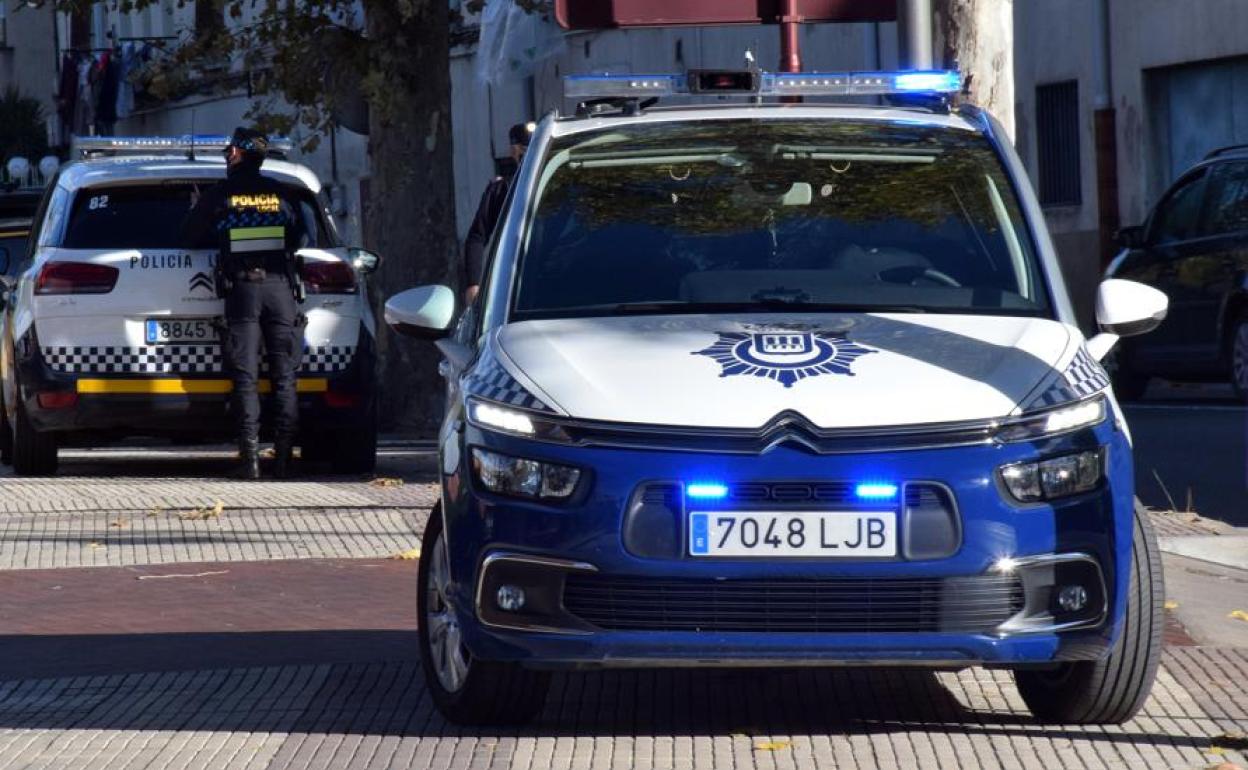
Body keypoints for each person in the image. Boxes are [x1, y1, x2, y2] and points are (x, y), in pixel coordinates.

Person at [183, 127, 307, 480]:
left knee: (245, 377)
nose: (227, 156)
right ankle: (283, 460)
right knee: (285, 377)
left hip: (243, 291)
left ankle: (250, 460)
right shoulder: (281, 193)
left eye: (228, 151)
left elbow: (189, 238)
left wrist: (204, 218)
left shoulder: (220, 195)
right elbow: (300, 236)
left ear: (236, 154)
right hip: (280, 290)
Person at [463, 121, 533, 303]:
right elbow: (477, 237)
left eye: (529, 150)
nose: (526, 156)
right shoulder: (502, 190)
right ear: (513, 151)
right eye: (523, 150)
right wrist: (474, 285)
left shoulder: (558, 184)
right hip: (513, 284)